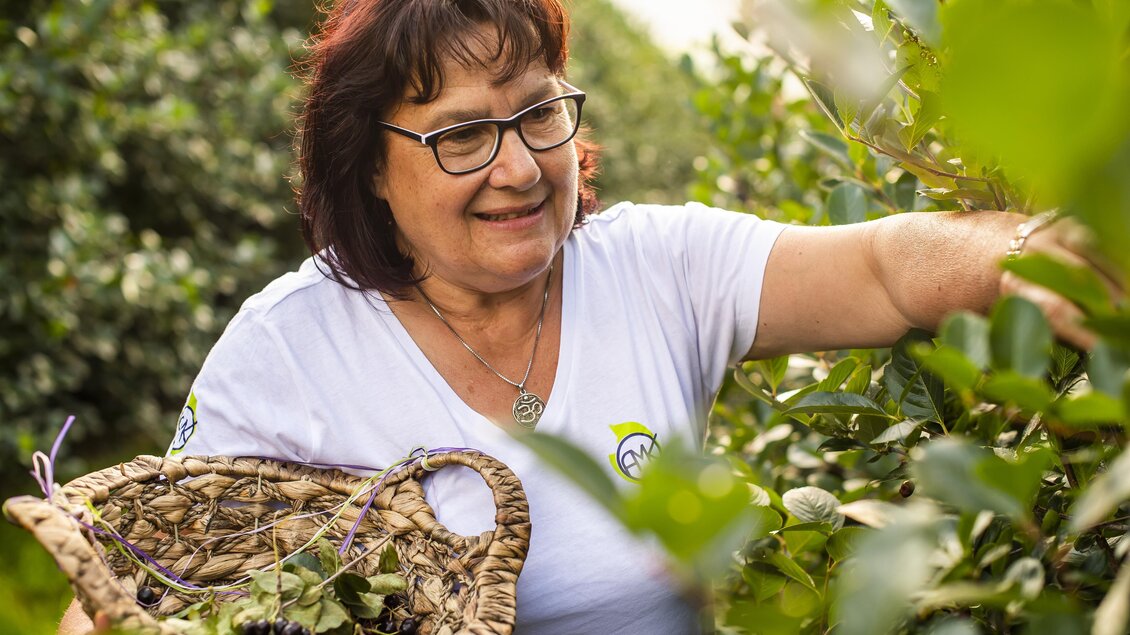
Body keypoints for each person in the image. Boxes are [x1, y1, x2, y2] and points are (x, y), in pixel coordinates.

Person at [60, 0, 1117, 633]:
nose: (518, 166)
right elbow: (141, 579)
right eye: (461, 134)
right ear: (370, 168)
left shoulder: (650, 267)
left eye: (535, 112)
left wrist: (1022, 254)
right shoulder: (287, 347)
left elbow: (885, 267)